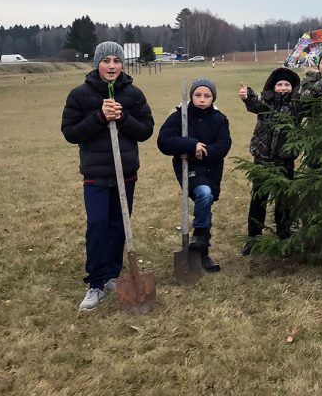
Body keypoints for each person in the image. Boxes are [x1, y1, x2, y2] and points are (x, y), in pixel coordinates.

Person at [61, 41, 154, 310]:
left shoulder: (134, 94)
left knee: (118, 226)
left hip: (125, 172)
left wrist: (122, 117)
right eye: (106, 60)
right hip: (96, 173)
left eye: (116, 60)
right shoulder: (80, 95)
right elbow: (70, 133)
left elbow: (146, 130)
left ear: (122, 64)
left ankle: (113, 274)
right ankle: (96, 283)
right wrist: (100, 117)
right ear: (97, 64)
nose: (111, 65)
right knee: (98, 225)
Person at [157, 77, 231, 272]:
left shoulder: (219, 119)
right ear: (191, 96)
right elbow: (164, 141)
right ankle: (199, 237)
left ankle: (202, 254)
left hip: (212, 171)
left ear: (213, 98)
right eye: (198, 95)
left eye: (207, 95)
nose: (202, 99)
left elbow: (223, 146)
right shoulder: (179, 115)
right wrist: (191, 145)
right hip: (188, 170)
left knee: (205, 204)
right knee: (204, 194)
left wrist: (199, 152)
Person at [238, 67, 302, 255]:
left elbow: (313, 95)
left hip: (285, 161)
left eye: (287, 85)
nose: (283, 88)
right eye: (279, 84)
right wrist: (247, 94)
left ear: (292, 87)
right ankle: (253, 238)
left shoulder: (297, 105)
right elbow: (254, 102)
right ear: (273, 87)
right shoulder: (267, 103)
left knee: (284, 200)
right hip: (263, 160)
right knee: (258, 200)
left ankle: (284, 235)